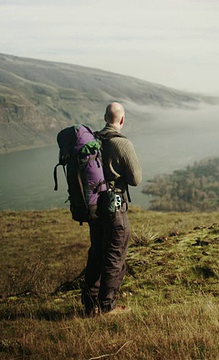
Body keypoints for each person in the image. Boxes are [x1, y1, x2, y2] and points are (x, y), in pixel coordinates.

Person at [81, 102, 142, 316]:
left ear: (105, 117)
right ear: (122, 119)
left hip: (95, 208)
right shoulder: (121, 144)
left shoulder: (95, 140)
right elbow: (135, 179)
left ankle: (90, 306)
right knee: (115, 255)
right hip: (115, 208)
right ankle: (108, 308)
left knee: (96, 253)